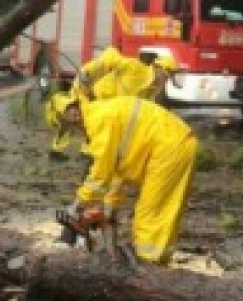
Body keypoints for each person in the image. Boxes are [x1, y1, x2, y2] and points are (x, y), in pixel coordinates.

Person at [50, 93, 198, 265]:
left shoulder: (99, 119)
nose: (76, 132)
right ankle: (160, 266)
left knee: (149, 214)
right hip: (172, 144)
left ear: (69, 117)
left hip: (169, 146)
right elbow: (115, 175)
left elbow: (100, 175)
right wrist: (109, 211)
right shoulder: (100, 116)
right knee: (162, 213)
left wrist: (76, 206)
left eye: (71, 128)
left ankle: (148, 267)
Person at [46, 46, 179, 162]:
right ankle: (56, 151)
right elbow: (111, 55)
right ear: (158, 68)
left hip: (107, 106)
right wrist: (89, 73)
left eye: (169, 78)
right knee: (72, 118)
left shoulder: (152, 89)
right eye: (166, 75)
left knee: (91, 128)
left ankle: (87, 154)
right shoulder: (136, 68)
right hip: (91, 91)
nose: (166, 80)